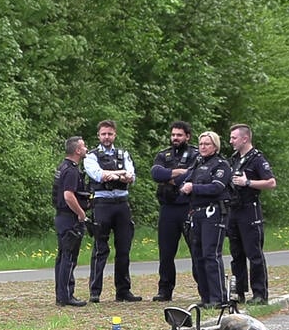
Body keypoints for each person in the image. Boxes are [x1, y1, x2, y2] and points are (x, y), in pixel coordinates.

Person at [84, 120, 141, 303]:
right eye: (103, 134)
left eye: (110, 134)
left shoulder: (123, 154)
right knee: (101, 248)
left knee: (124, 248)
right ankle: (95, 291)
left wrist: (118, 174)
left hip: (121, 204)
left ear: (115, 134)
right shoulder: (91, 156)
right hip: (102, 203)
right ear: (98, 136)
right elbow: (99, 175)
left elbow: (131, 177)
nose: (106, 137)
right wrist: (118, 174)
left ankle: (123, 291)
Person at [179, 131, 232, 307]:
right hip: (196, 212)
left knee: (211, 254)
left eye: (207, 144)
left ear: (215, 146)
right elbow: (185, 182)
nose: (202, 147)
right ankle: (205, 296)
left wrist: (194, 187)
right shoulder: (197, 163)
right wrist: (187, 187)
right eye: (201, 144)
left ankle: (218, 298)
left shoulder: (221, 165)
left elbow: (217, 187)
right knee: (198, 255)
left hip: (213, 212)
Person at [150, 121, 199, 302]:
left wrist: (171, 177)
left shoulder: (196, 154)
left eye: (179, 135)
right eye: (173, 135)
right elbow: (155, 173)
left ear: (187, 136)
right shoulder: (164, 154)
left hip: (188, 207)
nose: (175, 138)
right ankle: (165, 290)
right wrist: (177, 172)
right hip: (168, 208)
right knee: (166, 252)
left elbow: (192, 175)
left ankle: (204, 287)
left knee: (196, 249)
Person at [227, 124, 276, 304]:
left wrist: (248, 182)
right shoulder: (234, 159)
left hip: (249, 209)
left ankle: (260, 294)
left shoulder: (257, 159)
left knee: (253, 253)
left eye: (234, 138)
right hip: (234, 208)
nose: (231, 141)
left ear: (245, 138)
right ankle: (239, 291)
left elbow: (271, 183)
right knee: (236, 253)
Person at [53, 136, 89, 307]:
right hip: (69, 218)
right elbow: (68, 196)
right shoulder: (72, 170)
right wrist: (81, 214)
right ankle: (67, 295)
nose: (86, 149)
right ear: (77, 150)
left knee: (62, 257)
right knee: (68, 257)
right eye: (84, 146)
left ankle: (61, 294)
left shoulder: (62, 167)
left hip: (61, 217)